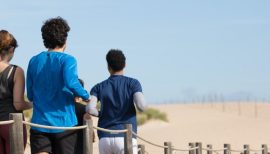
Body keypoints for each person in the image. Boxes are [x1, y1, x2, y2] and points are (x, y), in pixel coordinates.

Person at [26, 17, 89, 154]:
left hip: (39, 124)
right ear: (65, 39)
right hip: (65, 125)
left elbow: (30, 95)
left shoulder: (34, 61)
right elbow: (71, 83)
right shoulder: (68, 60)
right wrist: (86, 96)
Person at [86, 49, 146, 154]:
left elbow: (90, 109)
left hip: (105, 137)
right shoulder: (133, 83)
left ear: (108, 66)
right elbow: (141, 106)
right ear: (125, 64)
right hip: (126, 136)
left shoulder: (98, 87)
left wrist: (101, 113)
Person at [0, 30, 32, 154]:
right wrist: (33, 104)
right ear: (12, 49)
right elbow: (18, 104)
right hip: (12, 125)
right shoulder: (16, 71)